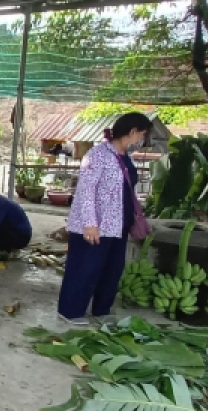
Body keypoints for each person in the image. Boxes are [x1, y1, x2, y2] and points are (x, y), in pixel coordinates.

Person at [56, 112, 154, 324]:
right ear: (133, 131)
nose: (141, 140)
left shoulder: (125, 156)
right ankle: (70, 312)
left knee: (112, 270)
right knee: (85, 268)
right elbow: (86, 189)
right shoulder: (98, 154)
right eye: (142, 135)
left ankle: (101, 310)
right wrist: (90, 223)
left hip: (119, 224)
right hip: (95, 225)